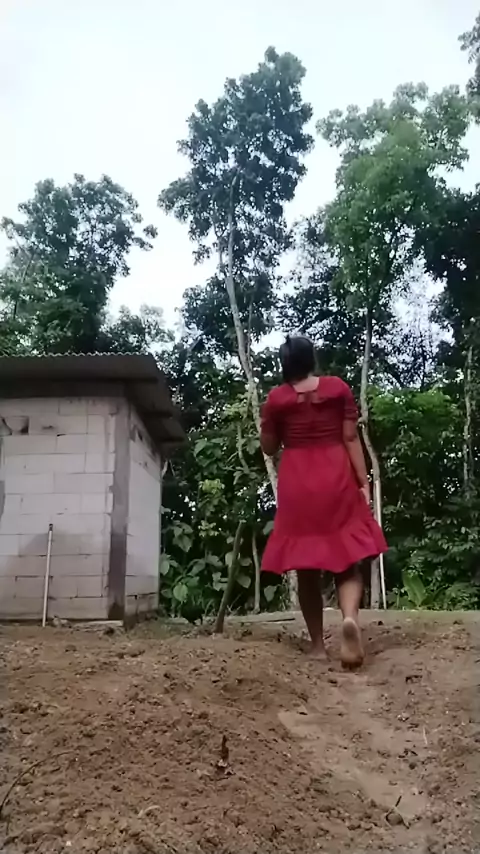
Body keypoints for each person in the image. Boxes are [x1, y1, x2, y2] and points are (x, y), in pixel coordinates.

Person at [260, 335, 387, 668]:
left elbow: (269, 447)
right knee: (347, 560)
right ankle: (349, 618)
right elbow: (350, 437)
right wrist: (363, 482)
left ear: (285, 364)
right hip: (336, 475)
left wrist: (269, 422)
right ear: (311, 359)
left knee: (306, 567)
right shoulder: (337, 388)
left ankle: (318, 646)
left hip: (297, 482)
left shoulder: (277, 399)